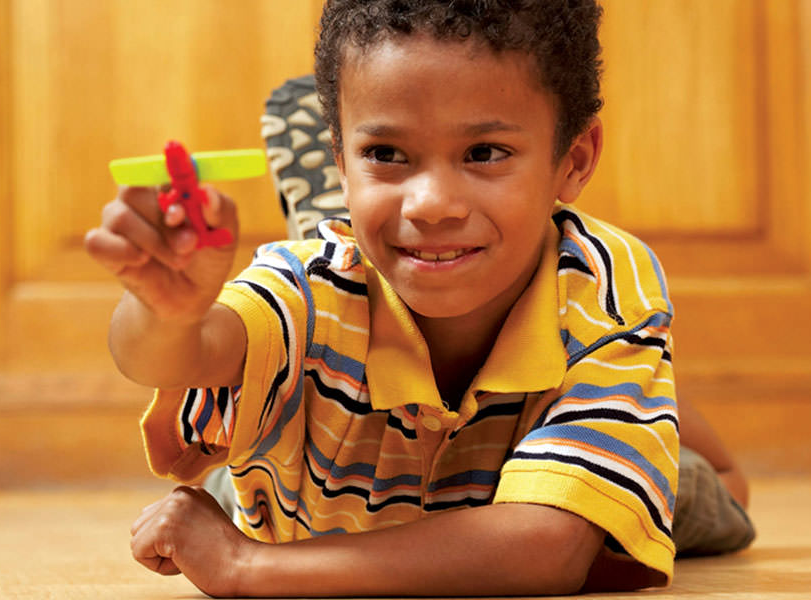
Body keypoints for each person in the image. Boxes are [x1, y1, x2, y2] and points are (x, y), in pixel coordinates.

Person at [85, 0, 753, 596]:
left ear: (574, 160)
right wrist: (167, 312)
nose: (433, 204)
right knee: (247, 451)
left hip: (538, 455)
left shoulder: (607, 285)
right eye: (388, 152)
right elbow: (178, 356)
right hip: (320, 462)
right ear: (340, 157)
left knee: (721, 491)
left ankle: (638, 377)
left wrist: (246, 567)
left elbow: (548, 551)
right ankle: (341, 220)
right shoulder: (304, 285)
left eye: (485, 152)